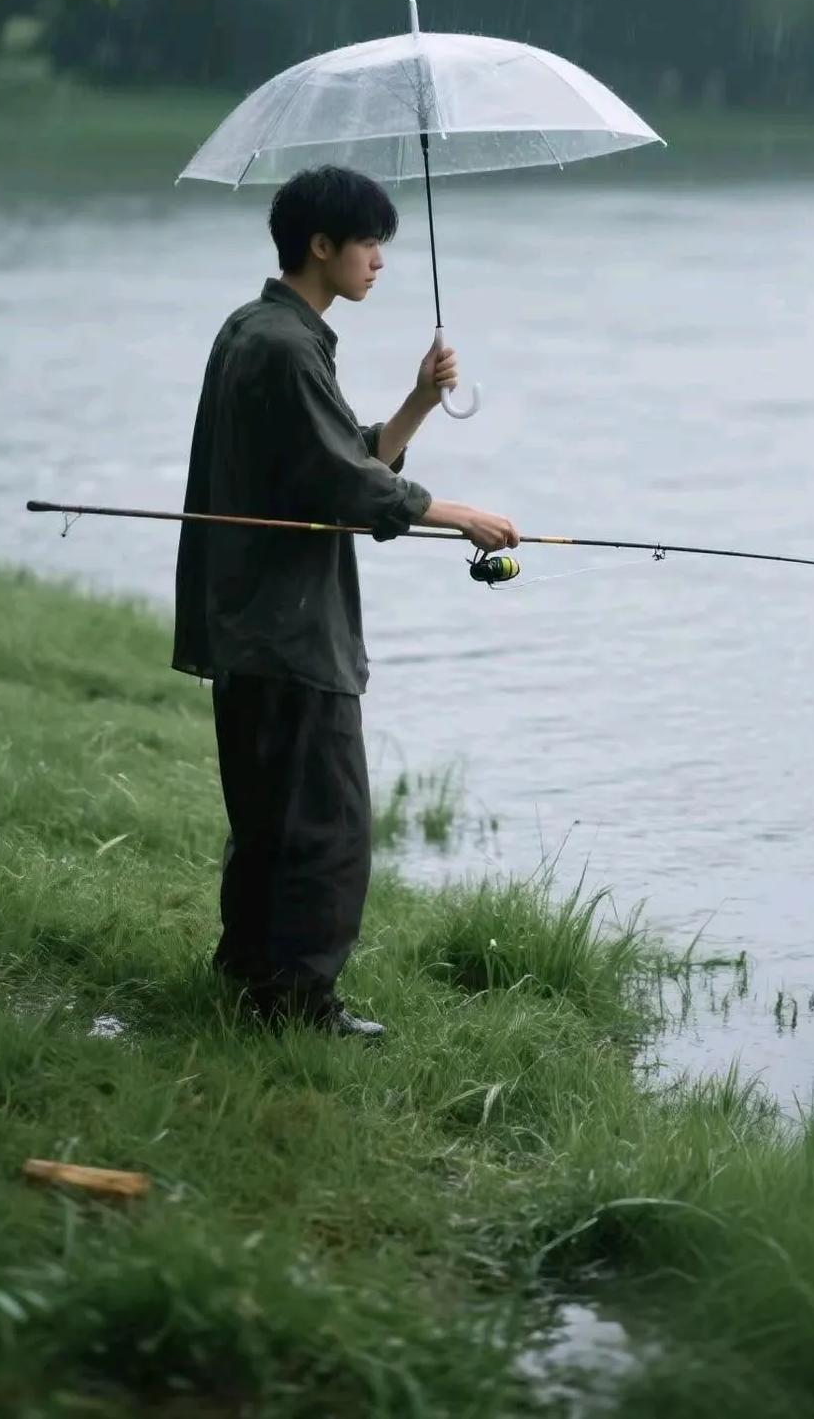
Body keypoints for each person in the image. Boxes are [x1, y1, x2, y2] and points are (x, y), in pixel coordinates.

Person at [172, 164, 518, 1038]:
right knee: (327, 830)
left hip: (255, 624)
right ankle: (298, 1006)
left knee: (270, 821)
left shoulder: (258, 330)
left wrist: (419, 404)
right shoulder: (285, 348)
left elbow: (335, 463)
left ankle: (251, 980)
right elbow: (350, 486)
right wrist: (460, 514)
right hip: (289, 631)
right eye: (368, 243)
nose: (380, 261)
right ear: (320, 246)